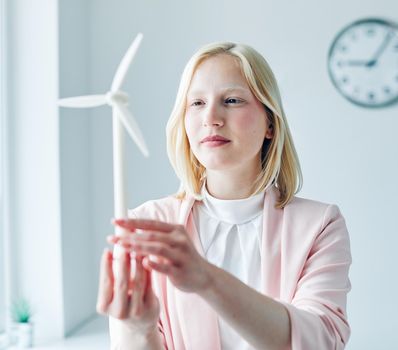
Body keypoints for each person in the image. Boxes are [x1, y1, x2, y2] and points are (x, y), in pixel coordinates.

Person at [96, 41, 352, 350]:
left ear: (270, 123)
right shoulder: (147, 225)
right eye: (197, 103)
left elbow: (320, 342)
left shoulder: (320, 225)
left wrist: (207, 279)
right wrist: (138, 328)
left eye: (231, 100)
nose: (211, 118)